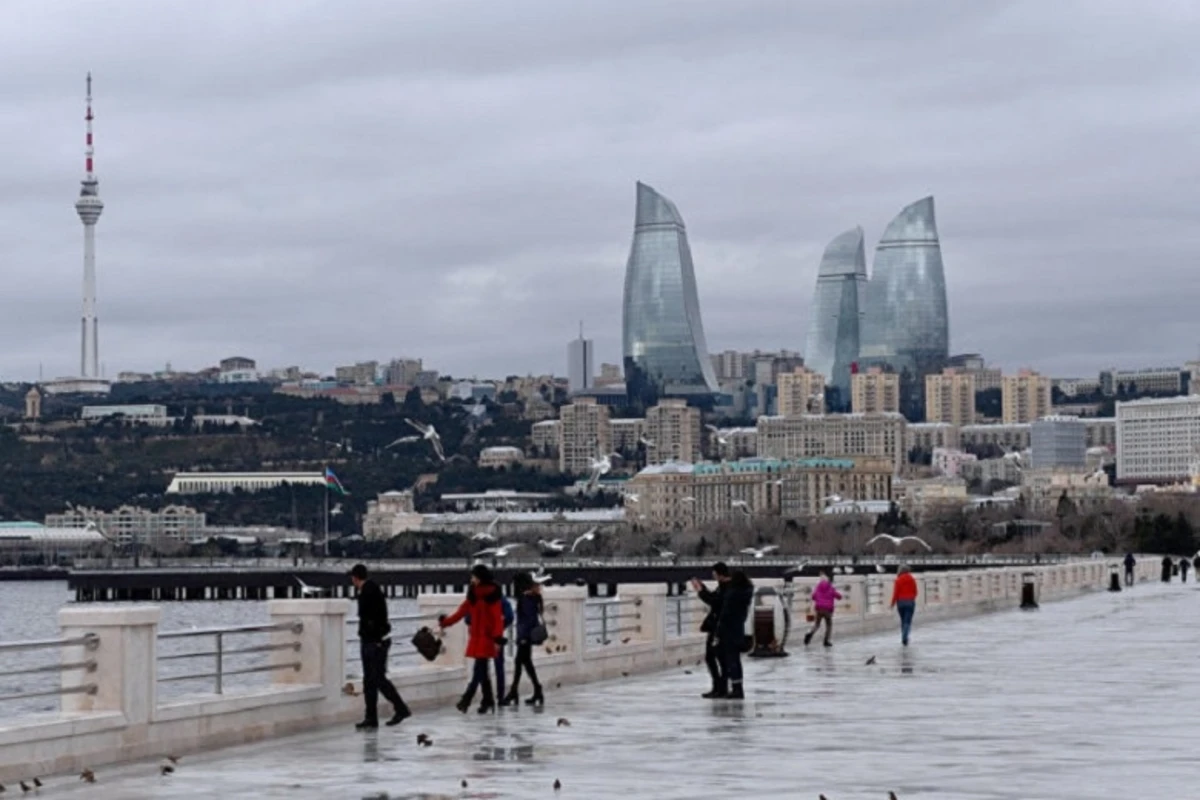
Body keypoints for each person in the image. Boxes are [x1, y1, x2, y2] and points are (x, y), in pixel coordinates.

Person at [349, 564, 411, 730]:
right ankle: (371, 717)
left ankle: (400, 708)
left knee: (376, 678)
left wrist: (375, 638)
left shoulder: (368, 591)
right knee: (370, 680)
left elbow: (372, 617)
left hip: (374, 641)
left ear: (355, 577)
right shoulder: (370, 589)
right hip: (373, 640)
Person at [439, 564, 506, 714]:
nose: (471, 579)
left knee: (480, 669)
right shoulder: (474, 594)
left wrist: (497, 639)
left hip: (487, 638)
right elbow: (461, 612)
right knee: (482, 670)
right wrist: (446, 622)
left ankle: (468, 700)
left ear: (480, 578)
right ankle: (487, 701)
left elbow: (497, 619)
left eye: (474, 577)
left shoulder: (489, 595)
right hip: (479, 637)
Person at [504, 572, 545, 707]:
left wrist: (522, 638)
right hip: (527, 636)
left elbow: (527, 620)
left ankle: (514, 692)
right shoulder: (532, 597)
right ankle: (536, 690)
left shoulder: (526, 599)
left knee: (520, 663)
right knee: (526, 663)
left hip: (525, 636)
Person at [691, 562, 731, 699]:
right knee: (716, 658)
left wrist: (700, 591)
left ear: (719, 574)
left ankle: (720, 687)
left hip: (720, 627)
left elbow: (714, 602)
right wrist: (703, 589)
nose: (713, 576)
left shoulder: (727, 588)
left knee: (716, 658)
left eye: (714, 573)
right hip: (718, 626)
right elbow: (714, 598)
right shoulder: (724, 587)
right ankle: (720, 687)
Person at [713, 570, 753, 700]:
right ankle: (737, 687)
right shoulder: (746, 593)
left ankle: (734, 689)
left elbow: (725, 614)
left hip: (728, 631)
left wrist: (718, 632)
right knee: (736, 661)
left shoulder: (732, 594)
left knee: (730, 660)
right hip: (739, 630)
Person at [804, 570, 842, 648]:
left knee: (817, 624)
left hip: (819, 609)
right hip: (828, 610)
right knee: (829, 625)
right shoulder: (831, 587)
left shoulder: (818, 587)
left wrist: (819, 599)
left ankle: (810, 634)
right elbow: (838, 596)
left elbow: (813, 596)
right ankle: (826, 641)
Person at [890, 565, 919, 646]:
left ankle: (904, 636)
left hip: (901, 602)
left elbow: (895, 593)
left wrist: (892, 604)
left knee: (903, 620)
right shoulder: (912, 579)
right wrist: (912, 598)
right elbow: (915, 591)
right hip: (910, 602)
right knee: (908, 620)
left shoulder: (898, 580)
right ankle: (905, 637)